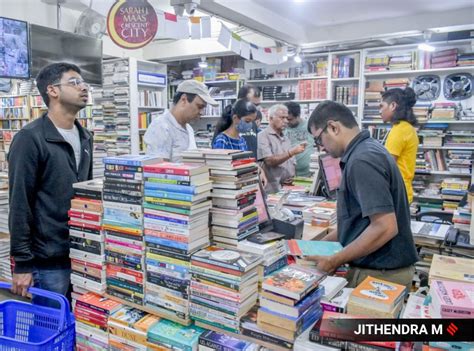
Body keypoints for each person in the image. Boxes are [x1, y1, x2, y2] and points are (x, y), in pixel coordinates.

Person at [306, 101, 418, 290]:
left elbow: (385, 227)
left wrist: (334, 260)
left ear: (333, 127)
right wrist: (320, 246)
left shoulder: (362, 160)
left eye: (318, 140)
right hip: (382, 271)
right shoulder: (368, 148)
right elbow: (359, 222)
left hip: (380, 275)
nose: (320, 147)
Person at [8, 62, 93, 305]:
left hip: (81, 252)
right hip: (47, 260)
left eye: (83, 82)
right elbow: (19, 203)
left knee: (78, 328)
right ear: (52, 91)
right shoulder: (30, 139)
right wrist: (22, 263)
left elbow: (84, 195)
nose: (83, 87)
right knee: (49, 331)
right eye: (74, 82)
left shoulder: (85, 137)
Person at [144, 80, 218, 162]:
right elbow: (157, 170)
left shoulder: (188, 128)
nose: (201, 112)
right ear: (183, 100)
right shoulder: (161, 127)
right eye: (199, 107)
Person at [212, 99, 268, 187]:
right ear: (235, 118)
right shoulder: (222, 140)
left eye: (252, 121)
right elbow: (220, 171)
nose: (250, 125)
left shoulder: (242, 140)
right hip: (227, 188)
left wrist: (259, 170)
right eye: (247, 121)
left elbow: (246, 163)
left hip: (241, 186)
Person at [379, 87, 418, 203]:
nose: (379, 111)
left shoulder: (399, 130)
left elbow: (386, 166)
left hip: (397, 193)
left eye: (381, 106)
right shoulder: (407, 128)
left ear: (393, 106)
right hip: (404, 190)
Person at [257, 104, 306, 194]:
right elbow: (269, 161)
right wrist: (291, 152)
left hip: (288, 189)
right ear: (271, 118)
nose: (286, 121)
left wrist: (292, 177)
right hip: (272, 190)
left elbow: (292, 162)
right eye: (282, 118)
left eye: (287, 118)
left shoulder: (286, 138)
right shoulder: (262, 136)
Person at [284, 101, 314, 177]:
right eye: (285, 118)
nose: (287, 122)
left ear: (298, 115)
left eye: (290, 119)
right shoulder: (282, 128)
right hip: (289, 174)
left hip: (309, 173)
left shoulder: (310, 126)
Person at [236, 84, 262, 158]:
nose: (256, 109)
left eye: (258, 105)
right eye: (253, 105)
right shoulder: (228, 120)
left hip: (252, 166)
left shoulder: (253, 118)